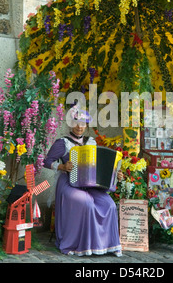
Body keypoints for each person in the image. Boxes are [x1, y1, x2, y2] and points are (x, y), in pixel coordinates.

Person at [44, 105, 124, 256]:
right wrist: (62, 166)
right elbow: (45, 161)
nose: (79, 127)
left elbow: (100, 166)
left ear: (86, 125)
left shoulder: (91, 142)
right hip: (69, 182)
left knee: (110, 205)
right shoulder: (63, 142)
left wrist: (115, 174)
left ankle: (105, 244)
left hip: (90, 184)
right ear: (70, 123)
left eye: (83, 123)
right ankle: (81, 244)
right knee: (86, 203)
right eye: (76, 123)